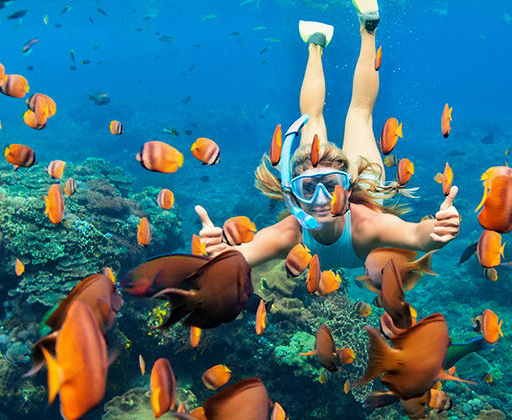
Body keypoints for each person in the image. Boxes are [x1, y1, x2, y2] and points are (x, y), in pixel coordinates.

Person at [194, 0, 461, 270]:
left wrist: (438, 230)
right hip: (361, 180)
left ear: (347, 185)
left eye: (331, 186)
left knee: (346, 114)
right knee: (355, 114)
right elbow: (241, 256)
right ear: (293, 194)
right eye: (308, 188)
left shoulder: (367, 225)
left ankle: (354, 32)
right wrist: (221, 253)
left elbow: (417, 235)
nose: (321, 199)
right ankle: (334, 37)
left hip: (364, 186)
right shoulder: (290, 233)